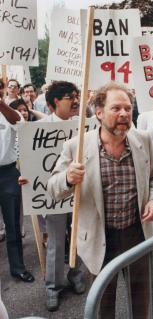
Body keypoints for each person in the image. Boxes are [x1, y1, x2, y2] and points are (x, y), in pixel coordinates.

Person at [47, 82, 153, 318]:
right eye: (116, 108)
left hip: (137, 234)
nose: (124, 114)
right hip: (100, 238)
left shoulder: (143, 140)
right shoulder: (76, 146)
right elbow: (53, 188)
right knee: (104, 303)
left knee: (140, 302)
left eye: (128, 108)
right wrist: (68, 178)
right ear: (99, 112)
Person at [19, 81, 85, 311]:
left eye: (77, 96)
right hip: (53, 197)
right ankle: (52, 288)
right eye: (70, 97)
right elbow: (28, 163)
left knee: (79, 237)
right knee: (56, 243)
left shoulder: (82, 125)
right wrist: (25, 178)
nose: (76, 100)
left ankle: (77, 275)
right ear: (56, 102)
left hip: (78, 194)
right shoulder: (38, 128)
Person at [0, 78, 34, 283]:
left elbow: (21, 123)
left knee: (12, 224)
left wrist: (2, 104)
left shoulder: (7, 113)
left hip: (7, 174)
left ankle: (18, 267)